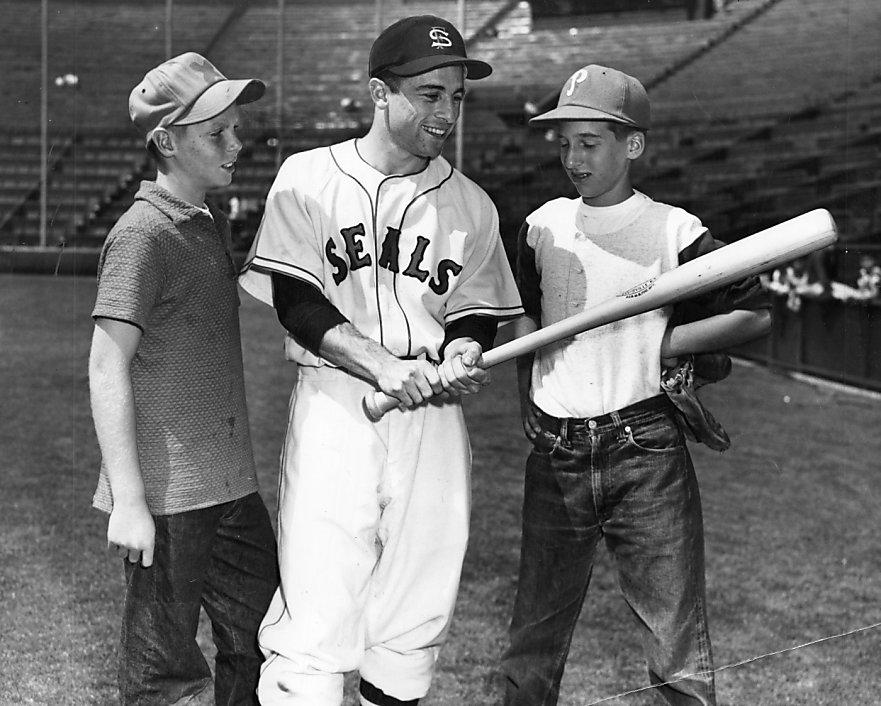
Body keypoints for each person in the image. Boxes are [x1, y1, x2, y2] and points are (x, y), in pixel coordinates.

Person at [237, 15, 523, 706]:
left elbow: (474, 311)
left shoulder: (470, 203)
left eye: (456, 96)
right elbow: (298, 304)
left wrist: (464, 348)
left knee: (417, 600)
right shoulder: (307, 178)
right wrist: (381, 365)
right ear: (378, 92)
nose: (446, 112)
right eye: (429, 94)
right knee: (319, 597)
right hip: (337, 402)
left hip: (429, 414)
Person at [501, 65, 772, 706]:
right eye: (564, 142)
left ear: (633, 145)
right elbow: (527, 324)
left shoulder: (675, 231)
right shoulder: (542, 227)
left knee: (675, 643)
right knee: (533, 640)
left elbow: (754, 313)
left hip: (644, 446)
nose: (573, 157)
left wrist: (668, 342)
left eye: (589, 142)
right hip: (558, 451)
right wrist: (527, 399)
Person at [88, 52, 279, 705]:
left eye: (235, 128)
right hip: (170, 499)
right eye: (216, 133)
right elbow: (105, 362)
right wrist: (131, 501)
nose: (236, 143)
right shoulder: (143, 234)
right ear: (166, 142)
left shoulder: (207, 221)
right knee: (161, 667)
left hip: (231, 484)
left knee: (259, 639)